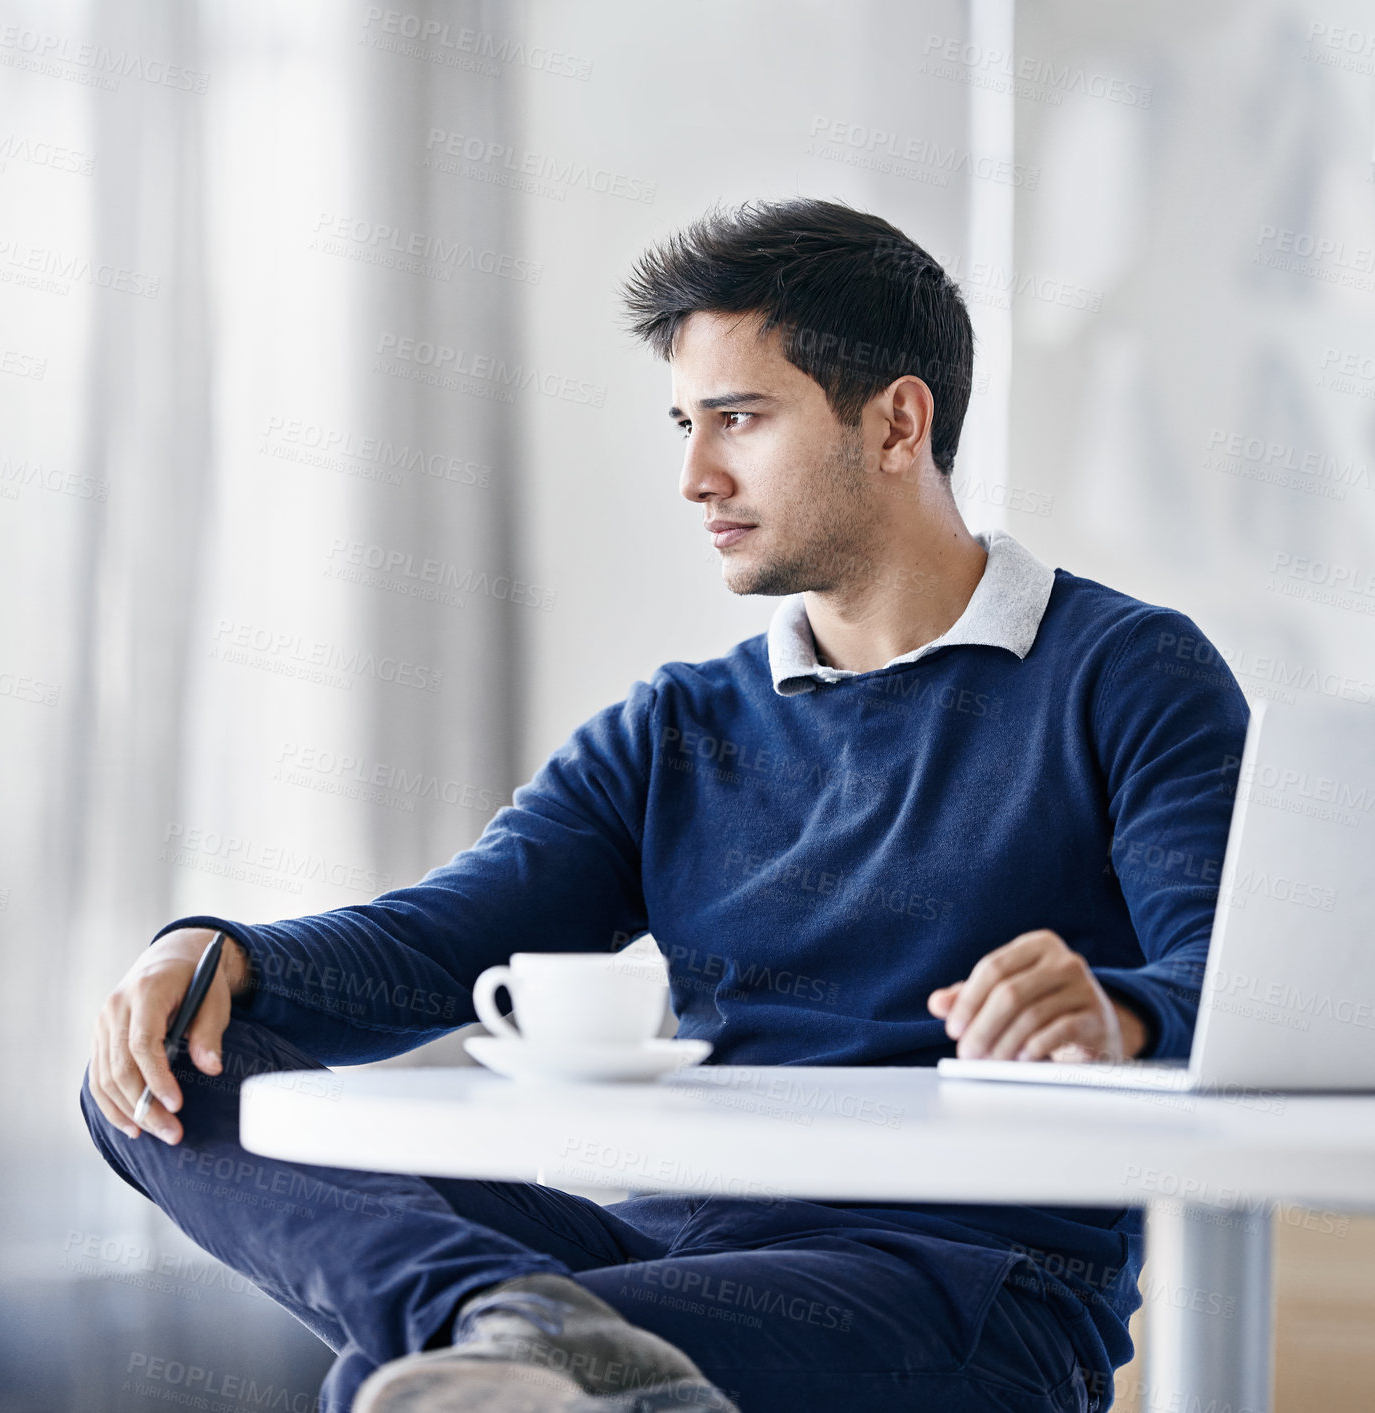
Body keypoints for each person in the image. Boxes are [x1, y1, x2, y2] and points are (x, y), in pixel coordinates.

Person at [82, 198, 1248, 1413]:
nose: (694, 476)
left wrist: (1117, 1012)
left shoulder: (1128, 673)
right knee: (146, 1067)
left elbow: (1239, 979)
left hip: (957, 1289)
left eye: (739, 419)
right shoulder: (676, 727)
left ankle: (503, 1333)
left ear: (899, 421)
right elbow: (435, 948)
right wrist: (214, 957)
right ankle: (492, 1318)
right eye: (687, 425)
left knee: (403, 1384)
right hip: (671, 1252)